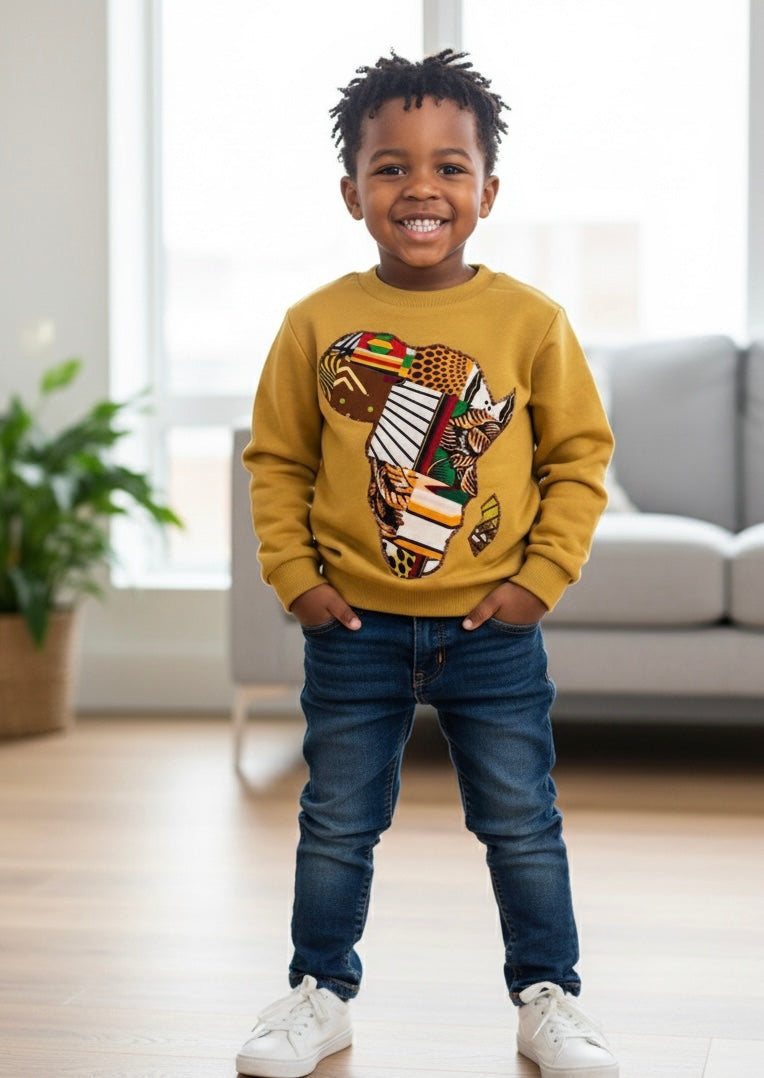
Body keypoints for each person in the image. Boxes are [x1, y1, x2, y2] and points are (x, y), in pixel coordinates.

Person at [237, 49, 618, 1078]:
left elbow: (579, 456)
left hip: (490, 633)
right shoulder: (312, 323)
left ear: (486, 191)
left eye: (448, 167)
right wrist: (297, 580)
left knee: (519, 821)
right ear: (352, 190)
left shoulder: (529, 321)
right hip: (351, 627)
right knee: (336, 822)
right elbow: (274, 459)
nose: (421, 189)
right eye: (391, 167)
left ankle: (549, 995)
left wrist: (536, 582)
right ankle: (319, 991)